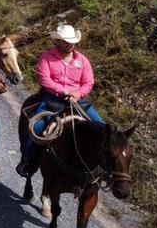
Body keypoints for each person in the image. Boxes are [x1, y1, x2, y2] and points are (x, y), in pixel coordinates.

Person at [17, 24, 106, 177]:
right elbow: (45, 79)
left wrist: (77, 94)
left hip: (78, 101)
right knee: (37, 127)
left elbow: (88, 82)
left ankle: (105, 169)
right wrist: (65, 91)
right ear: (57, 41)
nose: (69, 44)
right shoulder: (47, 57)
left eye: (72, 41)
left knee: (105, 130)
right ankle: (28, 160)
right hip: (53, 99)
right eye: (65, 41)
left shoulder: (82, 60)